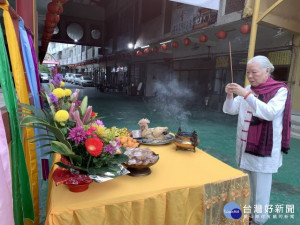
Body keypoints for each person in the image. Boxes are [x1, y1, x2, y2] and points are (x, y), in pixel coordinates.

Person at [223, 55, 291, 225]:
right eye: (248, 72)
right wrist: (230, 96)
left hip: (264, 151)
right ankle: (246, 217)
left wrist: (246, 95)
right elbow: (231, 110)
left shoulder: (280, 90)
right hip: (245, 148)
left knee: (260, 191)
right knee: (246, 188)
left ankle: (258, 221)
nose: (250, 76)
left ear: (267, 71)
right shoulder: (248, 89)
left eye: (254, 72)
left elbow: (269, 112)